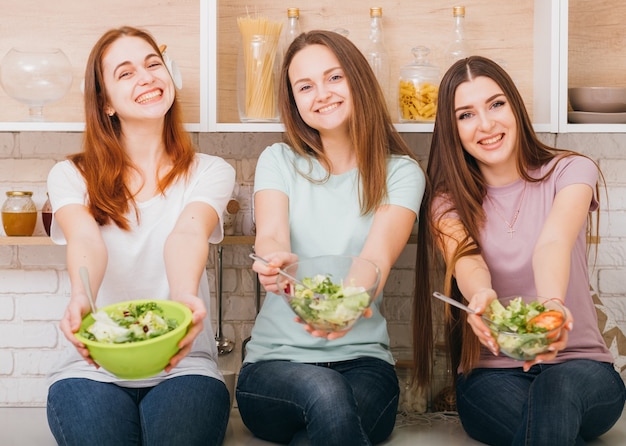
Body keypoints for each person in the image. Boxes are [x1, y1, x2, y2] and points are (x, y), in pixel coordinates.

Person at [413, 55, 626, 445]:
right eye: (465, 114)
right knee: (547, 423)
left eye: (496, 104)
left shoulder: (571, 171)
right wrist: (482, 296)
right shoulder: (446, 202)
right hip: (491, 376)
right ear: (451, 129)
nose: (486, 124)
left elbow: (554, 241)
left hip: (581, 367)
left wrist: (551, 307)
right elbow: (468, 263)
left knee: (555, 392)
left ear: (515, 106)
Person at [45, 26, 236, 446]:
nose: (148, 77)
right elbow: (85, 239)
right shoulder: (70, 175)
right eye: (125, 73)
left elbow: (187, 234)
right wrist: (81, 296)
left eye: (153, 64)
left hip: (184, 364)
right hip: (91, 369)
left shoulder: (210, 171)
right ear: (106, 103)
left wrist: (184, 301)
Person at [236, 30, 425, 445]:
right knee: (325, 393)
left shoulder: (402, 173)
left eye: (334, 78)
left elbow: (374, 260)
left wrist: (342, 310)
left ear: (358, 80)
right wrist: (273, 261)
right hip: (274, 366)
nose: (321, 93)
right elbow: (270, 235)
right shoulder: (279, 160)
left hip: (363, 364)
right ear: (294, 101)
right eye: (305, 86)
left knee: (327, 420)